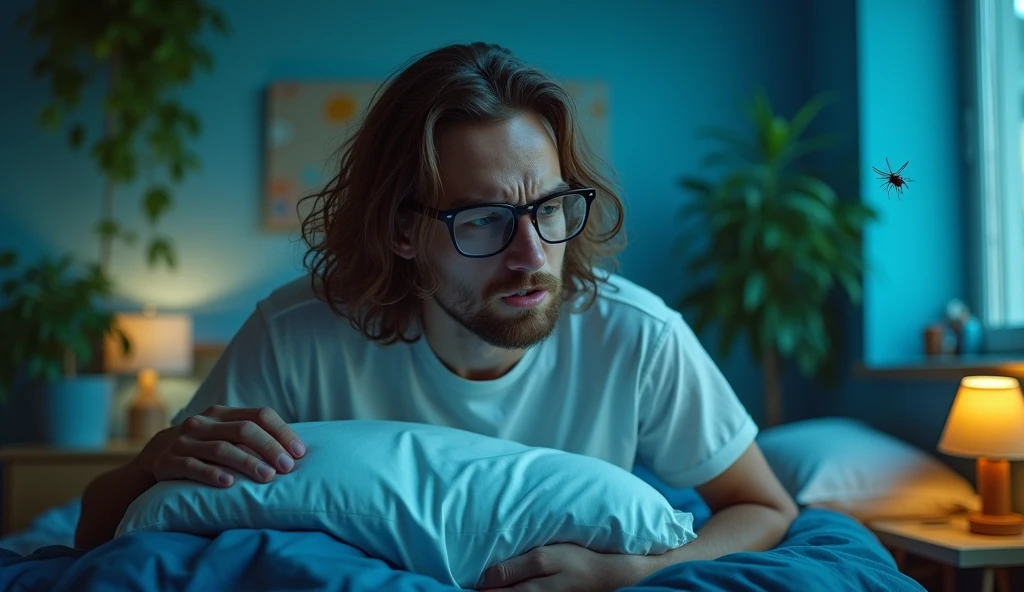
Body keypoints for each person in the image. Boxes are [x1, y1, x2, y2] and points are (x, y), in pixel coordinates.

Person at [75, 41, 798, 590]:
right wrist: (149, 463)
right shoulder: (295, 336)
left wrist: (633, 575)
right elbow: (97, 531)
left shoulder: (637, 335)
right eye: (484, 220)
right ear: (401, 229)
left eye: (548, 209)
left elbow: (765, 509)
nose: (531, 254)